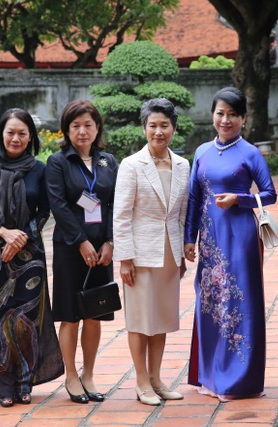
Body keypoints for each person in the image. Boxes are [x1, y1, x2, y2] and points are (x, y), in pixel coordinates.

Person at [184, 87, 277, 401]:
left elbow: (270, 194)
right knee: (210, 302)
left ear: (243, 119)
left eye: (232, 114)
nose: (225, 120)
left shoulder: (250, 153)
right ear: (213, 115)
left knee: (239, 303)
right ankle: (210, 375)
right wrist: (189, 239)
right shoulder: (201, 152)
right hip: (210, 241)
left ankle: (239, 380)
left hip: (240, 237)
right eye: (220, 113)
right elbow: (195, 199)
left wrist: (241, 199)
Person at [0, 108, 64, 408]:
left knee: (26, 321)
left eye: (23, 133)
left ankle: (24, 382)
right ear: (1, 135)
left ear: (31, 137)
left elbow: (45, 210)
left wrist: (22, 235)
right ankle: (2, 384)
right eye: (11, 132)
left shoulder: (41, 169)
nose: (16, 138)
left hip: (30, 257)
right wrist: (4, 233)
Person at [113, 98, 190, 406]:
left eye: (165, 126)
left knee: (161, 318)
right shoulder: (132, 164)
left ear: (174, 128)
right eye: (153, 126)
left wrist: (182, 254)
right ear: (144, 128)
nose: (159, 132)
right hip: (140, 254)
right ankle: (141, 381)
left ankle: (157, 379)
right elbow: (121, 214)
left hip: (170, 253)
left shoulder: (183, 165)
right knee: (140, 319)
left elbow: (182, 213)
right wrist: (125, 259)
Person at [45, 100, 119, 404]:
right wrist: (81, 242)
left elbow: (115, 203)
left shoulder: (108, 162)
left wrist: (110, 241)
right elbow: (58, 205)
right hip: (70, 249)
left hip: (102, 249)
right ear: (66, 130)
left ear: (97, 127)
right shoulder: (58, 162)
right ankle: (71, 376)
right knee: (71, 316)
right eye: (75, 125)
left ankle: (89, 374)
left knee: (95, 313)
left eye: (88, 124)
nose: (82, 131)